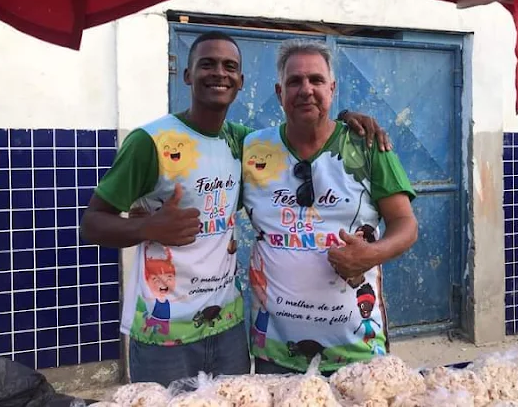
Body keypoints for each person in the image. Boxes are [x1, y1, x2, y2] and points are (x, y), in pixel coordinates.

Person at [79, 31, 390, 386]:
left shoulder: (245, 144)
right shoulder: (150, 142)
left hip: (227, 329)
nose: (219, 73)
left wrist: (346, 118)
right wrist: (147, 228)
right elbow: (92, 223)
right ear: (187, 75)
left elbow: (302, 128)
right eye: (207, 64)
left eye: (229, 66)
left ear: (241, 81)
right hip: (164, 332)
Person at [241, 39, 418, 375]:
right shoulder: (251, 149)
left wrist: (372, 254)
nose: (306, 89)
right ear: (279, 92)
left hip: (357, 350)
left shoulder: (368, 147)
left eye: (316, 80)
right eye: (295, 81)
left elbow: (405, 224)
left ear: (332, 89)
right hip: (276, 352)